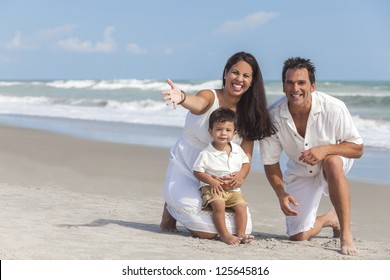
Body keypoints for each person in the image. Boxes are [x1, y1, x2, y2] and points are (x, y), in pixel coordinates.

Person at [160, 51, 275, 240]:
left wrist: (239, 176)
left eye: (246, 76)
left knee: (243, 229)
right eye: (235, 73)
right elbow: (197, 103)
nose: (239, 79)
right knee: (205, 231)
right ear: (226, 73)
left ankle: (180, 206)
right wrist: (181, 97)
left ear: (252, 81)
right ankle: (170, 208)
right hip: (186, 170)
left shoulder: (249, 115)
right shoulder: (209, 96)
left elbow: (245, 157)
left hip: (218, 182)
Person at [259, 57, 364, 255]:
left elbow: (357, 148)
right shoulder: (272, 116)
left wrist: (325, 149)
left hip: (333, 163)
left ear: (312, 86)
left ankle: (346, 233)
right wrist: (281, 193)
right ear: (283, 87)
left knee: (332, 161)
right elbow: (270, 162)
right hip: (300, 171)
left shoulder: (334, 108)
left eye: (301, 82)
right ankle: (328, 219)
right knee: (297, 236)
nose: (295, 88)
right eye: (289, 82)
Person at [193, 108, 251, 245]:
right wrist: (211, 181)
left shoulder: (237, 149)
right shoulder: (206, 153)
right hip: (212, 188)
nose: (223, 133)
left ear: (235, 133)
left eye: (228, 130)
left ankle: (241, 234)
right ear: (210, 131)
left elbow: (246, 163)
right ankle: (225, 235)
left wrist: (240, 175)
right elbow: (197, 171)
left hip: (233, 190)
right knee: (219, 205)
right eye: (219, 129)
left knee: (242, 206)